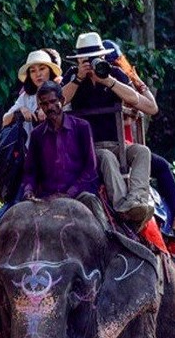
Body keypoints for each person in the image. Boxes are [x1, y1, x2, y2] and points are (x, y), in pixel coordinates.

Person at [102, 39, 175, 242]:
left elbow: (151, 107)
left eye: (114, 63)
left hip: (126, 146)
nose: (110, 67)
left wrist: (135, 80)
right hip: (106, 147)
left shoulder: (120, 81)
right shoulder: (96, 85)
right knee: (159, 165)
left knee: (158, 163)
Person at [62, 32, 153, 224]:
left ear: (103, 57)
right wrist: (78, 78)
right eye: (87, 60)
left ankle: (137, 200)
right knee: (107, 157)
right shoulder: (72, 75)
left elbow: (136, 101)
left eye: (96, 59)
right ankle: (122, 207)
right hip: (89, 146)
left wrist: (108, 81)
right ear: (79, 60)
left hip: (116, 142)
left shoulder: (114, 74)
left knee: (142, 152)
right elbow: (59, 101)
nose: (93, 63)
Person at [18, 82, 107, 227]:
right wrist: (29, 190)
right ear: (40, 106)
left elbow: (90, 169)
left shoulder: (82, 127)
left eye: (53, 101)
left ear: (62, 101)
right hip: (47, 198)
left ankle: (108, 240)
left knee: (93, 206)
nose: (49, 107)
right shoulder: (37, 134)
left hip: (80, 195)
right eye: (44, 104)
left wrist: (69, 193)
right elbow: (30, 171)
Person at [1, 50, 62, 136]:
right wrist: (19, 111)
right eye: (33, 71)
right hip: (30, 147)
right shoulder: (25, 97)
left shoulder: (61, 91)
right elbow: (5, 121)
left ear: (50, 71)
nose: (38, 74)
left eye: (42, 69)